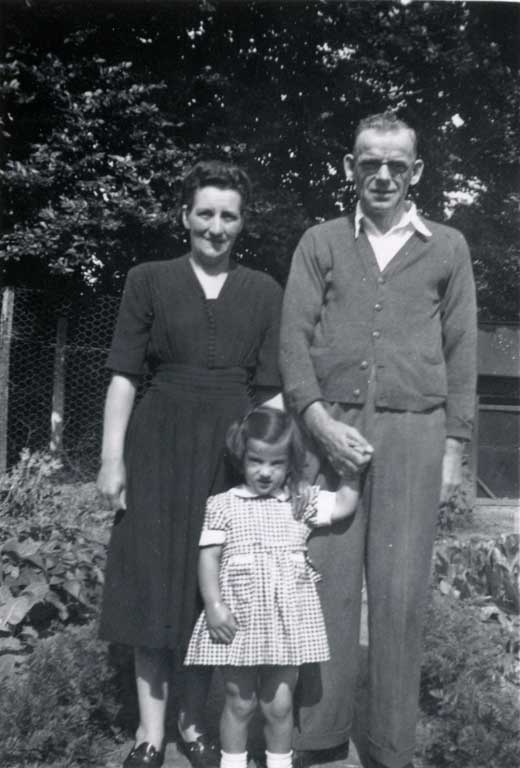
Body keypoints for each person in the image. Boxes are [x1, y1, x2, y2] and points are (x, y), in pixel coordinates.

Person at [279, 112, 477, 768]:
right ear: (350, 168)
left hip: (415, 436)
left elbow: (462, 348)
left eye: (397, 164)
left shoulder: (447, 247)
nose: (383, 175)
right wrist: (316, 422)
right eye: (370, 162)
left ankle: (392, 746)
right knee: (325, 584)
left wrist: (453, 446)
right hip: (327, 434)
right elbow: (294, 339)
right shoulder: (321, 242)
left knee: (399, 591)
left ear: (416, 172)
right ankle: (319, 736)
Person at [97, 160, 284, 768]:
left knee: (214, 592)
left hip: (229, 455)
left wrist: (270, 466)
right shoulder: (147, 279)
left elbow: (273, 393)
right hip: (157, 446)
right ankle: (151, 736)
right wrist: (111, 459)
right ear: (184, 217)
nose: (216, 226)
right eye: (205, 213)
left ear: (242, 223)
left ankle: (193, 724)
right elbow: (125, 375)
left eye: (228, 215)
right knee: (153, 585)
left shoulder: (263, 291)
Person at [184, 406, 361, 768]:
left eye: (276, 463)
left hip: (286, 625)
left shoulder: (301, 500)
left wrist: (353, 472)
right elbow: (208, 558)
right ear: (242, 457)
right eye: (256, 461)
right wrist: (214, 605)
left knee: (278, 705)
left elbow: (343, 504)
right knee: (239, 701)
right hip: (239, 621)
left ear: (290, 462)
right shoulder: (222, 505)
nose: (265, 472)